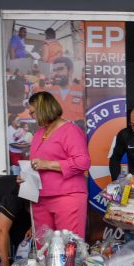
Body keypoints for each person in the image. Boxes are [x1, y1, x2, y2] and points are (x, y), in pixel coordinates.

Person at [27, 91, 90, 239]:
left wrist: (47, 164)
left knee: (68, 248)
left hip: (66, 196)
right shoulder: (39, 133)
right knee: (44, 248)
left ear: (43, 110)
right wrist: (25, 177)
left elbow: (83, 162)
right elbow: (36, 164)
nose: (31, 116)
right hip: (40, 198)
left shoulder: (71, 131)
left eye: (33, 112)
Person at [0, 175, 31, 266]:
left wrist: (31, 228)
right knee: (0, 249)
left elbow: (36, 218)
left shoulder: (37, 197)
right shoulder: (12, 198)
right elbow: (1, 230)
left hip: (19, 202)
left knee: (23, 241)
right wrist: (5, 262)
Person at [46, 57, 84, 124]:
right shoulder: (49, 93)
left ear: (70, 71)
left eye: (60, 69)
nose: (56, 73)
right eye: (54, 70)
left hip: (76, 132)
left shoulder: (82, 92)